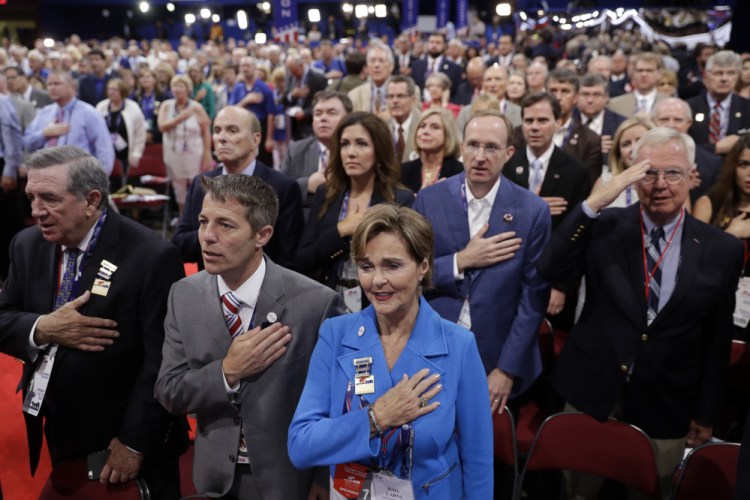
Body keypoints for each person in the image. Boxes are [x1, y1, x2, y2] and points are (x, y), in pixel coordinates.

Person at [537, 127, 743, 499]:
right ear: (633, 176)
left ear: (691, 176)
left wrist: (706, 413)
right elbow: (550, 268)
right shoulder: (605, 226)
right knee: (575, 492)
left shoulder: (721, 249)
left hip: (666, 402)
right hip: (591, 390)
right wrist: (594, 202)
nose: (660, 184)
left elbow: (717, 339)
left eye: (673, 173)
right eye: (649, 173)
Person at [0, 145, 189, 497]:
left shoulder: (152, 256)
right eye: (31, 196)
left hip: (129, 439)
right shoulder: (26, 245)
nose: (35, 211)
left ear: (91, 201)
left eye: (49, 199)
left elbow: (163, 361)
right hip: (61, 429)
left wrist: (134, 442)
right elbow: (3, 317)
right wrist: (42, 328)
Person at [288, 204, 493, 499]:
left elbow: (478, 462)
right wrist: (376, 418)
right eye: (366, 266)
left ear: (423, 266)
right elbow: (300, 445)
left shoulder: (459, 345)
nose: (377, 280)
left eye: (392, 265)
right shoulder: (336, 334)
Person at [156, 174, 343, 499]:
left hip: (289, 481)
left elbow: (337, 403)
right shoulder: (182, 294)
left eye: (225, 225)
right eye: (202, 222)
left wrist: (325, 479)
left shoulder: (316, 303)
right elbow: (169, 392)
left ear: (263, 235)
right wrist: (227, 372)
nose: (207, 236)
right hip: (212, 480)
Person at [414, 108, 551, 413]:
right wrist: (460, 261)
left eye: (491, 148)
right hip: (434, 349)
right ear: (461, 147)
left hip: (498, 356)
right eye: (473, 145)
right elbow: (410, 275)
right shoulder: (429, 199)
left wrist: (506, 370)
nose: (480, 156)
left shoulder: (532, 211)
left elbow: (533, 299)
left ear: (509, 153)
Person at [295, 112, 414, 311]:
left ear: (379, 150)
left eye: (361, 144)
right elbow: (303, 260)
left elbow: (404, 265)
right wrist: (340, 231)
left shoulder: (399, 199)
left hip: (379, 306)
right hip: (328, 302)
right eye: (344, 144)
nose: (351, 152)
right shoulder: (326, 194)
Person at [172, 106, 303, 272]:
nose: (222, 138)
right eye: (217, 130)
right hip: (210, 290)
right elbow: (179, 244)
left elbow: (288, 259)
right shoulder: (200, 184)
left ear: (255, 140)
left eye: (232, 130)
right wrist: (216, 233)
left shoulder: (283, 188)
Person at [694, 134, 750, 340]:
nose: (749, 173)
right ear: (732, 166)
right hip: (712, 304)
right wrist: (731, 235)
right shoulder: (708, 204)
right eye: (744, 164)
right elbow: (692, 264)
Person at [24, 70, 114, 174]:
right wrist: (44, 133)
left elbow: (104, 151)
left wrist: (99, 181)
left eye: (57, 84)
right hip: (46, 177)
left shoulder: (89, 113)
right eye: (49, 84)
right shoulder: (45, 113)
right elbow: (27, 143)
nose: (52, 87)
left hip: (79, 178)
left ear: (72, 86)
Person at [281, 90, 352, 207]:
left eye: (332, 113)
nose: (323, 118)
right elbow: (278, 192)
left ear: (348, 118)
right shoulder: (295, 151)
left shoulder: (358, 152)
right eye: (318, 113)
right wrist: (307, 185)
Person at [157, 74, 212, 213]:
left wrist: (207, 153)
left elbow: (206, 131)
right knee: (178, 186)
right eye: (174, 86)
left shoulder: (196, 107)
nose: (177, 89)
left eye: (181, 86)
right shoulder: (166, 105)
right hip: (173, 151)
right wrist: (181, 117)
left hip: (194, 152)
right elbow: (162, 126)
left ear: (188, 89)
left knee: (197, 185)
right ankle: (183, 216)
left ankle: (199, 216)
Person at [652, 97, 723, 202]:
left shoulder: (711, 163)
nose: (671, 125)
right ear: (653, 122)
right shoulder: (640, 158)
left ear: (689, 123)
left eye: (678, 120)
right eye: (664, 119)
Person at [687, 50, 750, 156]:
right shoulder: (689, 107)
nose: (724, 79)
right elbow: (684, 146)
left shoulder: (747, 107)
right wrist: (716, 148)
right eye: (718, 73)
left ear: (737, 77)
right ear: (706, 76)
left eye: (731, 73)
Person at [593, 116, 654, 208]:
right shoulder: (605, 182)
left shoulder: (671, 179)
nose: (633, 148)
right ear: (619, 154)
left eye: (640, 140)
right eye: (626, 144)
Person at [95, 78, 147, 185]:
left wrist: (137, 153)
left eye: (114, 89)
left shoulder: (133, 107)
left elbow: (140, 134)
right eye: (109, 89)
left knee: (125, 183)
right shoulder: (101, 106)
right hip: (106, 153)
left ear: (122, 91)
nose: (111, 92)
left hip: (125, 154)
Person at [401, 107, 463, 193]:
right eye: (422, 126)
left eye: (435, 127)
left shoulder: (459, 172)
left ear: (448, 134)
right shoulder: (403, 171)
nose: (425, 131)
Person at [229, 56, 275, 166]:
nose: (245, 69)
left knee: (262, 161)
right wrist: (246, 101)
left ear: (254, 68)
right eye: (242, 66)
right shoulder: (238, 87)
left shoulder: (264, 88)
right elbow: (231, 110)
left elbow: (271, 114)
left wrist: (269, 138)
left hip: (259, 128)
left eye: (248, 66)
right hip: (240, 128)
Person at [608, 52, 666, 118]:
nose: (644, 75)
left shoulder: (670, 103)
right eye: (640, 70)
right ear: (632, 74)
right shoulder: (615, 105)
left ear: (659, 74)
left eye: (649, 70)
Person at [386, 75, 421, 164]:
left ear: (413, 100)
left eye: (400, 96)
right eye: (390, 96)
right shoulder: (382, 128)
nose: (395, 101)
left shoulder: (423, 126)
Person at [133, 67, 170, 145]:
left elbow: (166, 118)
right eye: (142, 77)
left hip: (157, 136)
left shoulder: (163, 97)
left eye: (148, 77)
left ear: (154, 80)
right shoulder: (135, 98)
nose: (144, 79)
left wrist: (152, 134)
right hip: (139, 134)